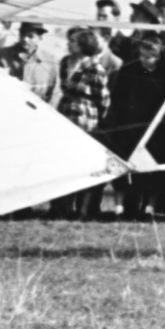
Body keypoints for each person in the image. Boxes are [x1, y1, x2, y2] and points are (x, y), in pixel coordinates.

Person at [99, 32, 165, 219]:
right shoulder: (130, 70)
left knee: (153, 169)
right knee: (126, 167)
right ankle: (122, 207)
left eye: (150, 57)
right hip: (130, 126)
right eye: (142, 56)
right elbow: (118, 98)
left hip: (158, 129)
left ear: (159, 53)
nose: (146, 61)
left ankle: (149, 207)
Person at [51, 27, 114, 219]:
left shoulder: (95, 68)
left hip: (85, 119)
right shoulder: (65, 62)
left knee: (82, 164)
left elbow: (103, 99)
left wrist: (94, 118)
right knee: (62, 163)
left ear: (84, 45)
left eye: (73, 41)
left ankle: (83, 210)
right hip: (65, 114)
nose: (69, 43)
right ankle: (61, 208)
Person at [0, 22, 59, 103]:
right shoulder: (3, 54)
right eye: (22, 34)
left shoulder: (51, 61)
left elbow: (54, 93)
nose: (25, 39)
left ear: (40, 38)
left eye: (30, 36)